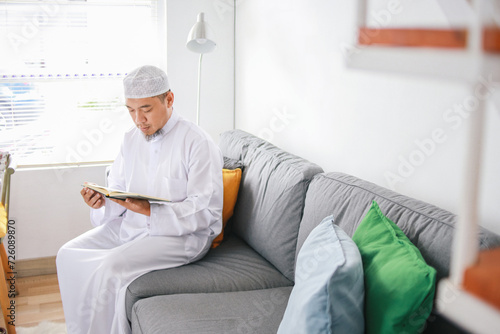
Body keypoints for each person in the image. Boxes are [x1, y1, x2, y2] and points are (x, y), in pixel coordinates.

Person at [56, 65, 223, 334]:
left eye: (146, 109)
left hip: (182, 237)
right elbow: (119, 189)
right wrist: (102, 202)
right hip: (131, 226)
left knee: (111, 268)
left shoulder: (197, 142)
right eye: (131, 110)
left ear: (169, 99)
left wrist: (150, 210)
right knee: (68, 254)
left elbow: (205, 211)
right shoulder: (130, 139)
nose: (138, 119)